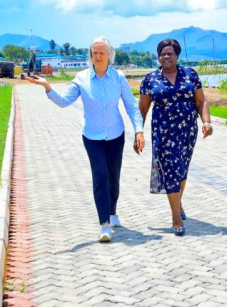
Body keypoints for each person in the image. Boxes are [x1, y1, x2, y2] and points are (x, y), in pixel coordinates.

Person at [26, 37, 145, 242]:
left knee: (113, 177)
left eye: (101, 52)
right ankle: (104, 225)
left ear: (110, 54)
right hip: (92, 136)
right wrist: (47, 87)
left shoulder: (118, 77)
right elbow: (64, 102)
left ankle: (112, 212)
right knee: (100, 176)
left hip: (116, 135)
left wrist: (139, 131)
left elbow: (131, 106)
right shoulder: (81, 78)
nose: (97, 56)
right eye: (94, 52)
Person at [138, 38, 213, 236]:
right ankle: (176, 218)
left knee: (182, 169)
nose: (166, 56)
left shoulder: (190, 75)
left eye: (170, 53)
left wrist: (206, 122)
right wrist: (139, 132)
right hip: (163, 133)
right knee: (171, 169)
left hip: (187, 131)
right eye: (162, 53)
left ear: (177, 56)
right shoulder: (150, 79)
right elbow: (143, 108)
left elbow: (201, 101)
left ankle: (177, 204)